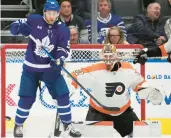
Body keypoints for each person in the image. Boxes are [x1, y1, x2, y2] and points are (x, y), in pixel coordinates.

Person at [10, 0, 81, 137]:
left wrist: (60, 59)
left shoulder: (62, 29)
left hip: (50, 70)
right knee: (27, 98)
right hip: (31, 69)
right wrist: (19, 28)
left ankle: (67, 123)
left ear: (58, 13)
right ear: (44, 13)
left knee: (63, 95)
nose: (51, 16)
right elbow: (14, 27)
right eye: (49, 13)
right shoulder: (34, 20)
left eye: (54, 13)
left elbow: (63, 48)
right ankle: (18, 124)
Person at [70, 44, 164, 137]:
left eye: (110, 56)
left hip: (123, 112)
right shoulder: (94, 70)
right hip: (98, 113)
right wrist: (68, 86)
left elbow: (139, 83)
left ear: (116, 55)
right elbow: (74, 77)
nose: (108, 59)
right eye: (105, 56)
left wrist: (149, 91)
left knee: (139, 134)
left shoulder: (128, 69)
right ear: (101, 56)